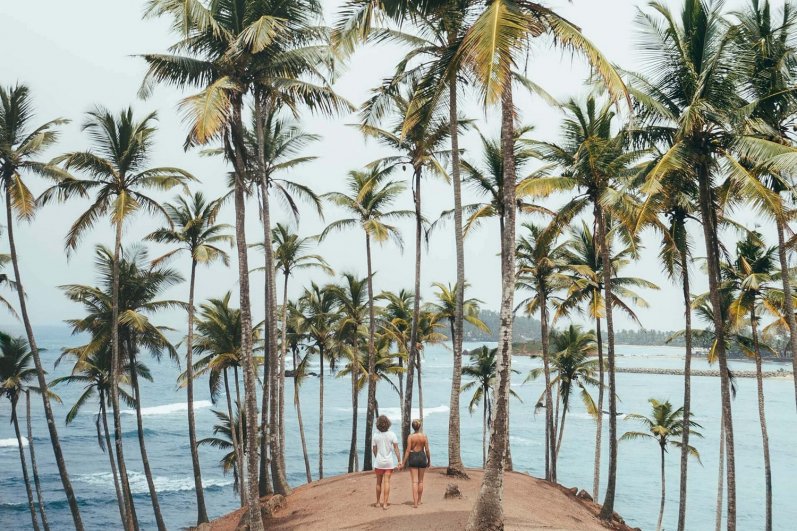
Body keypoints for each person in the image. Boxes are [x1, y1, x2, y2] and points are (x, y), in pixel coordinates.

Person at [372, 414, 401, 510]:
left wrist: (377, 457)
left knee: (378, 482)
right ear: (388, 424)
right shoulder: (392, 434)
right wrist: (399, 460)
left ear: (378, 425)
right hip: (388, 462)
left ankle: (377, 502)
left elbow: (374, 449)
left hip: (379, 463)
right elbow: (396, 448)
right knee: (387, 482)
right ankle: (385, 504)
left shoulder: (375, 435)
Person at [401, 418, 430, 508]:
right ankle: (420, 500)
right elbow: (427, 450)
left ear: (413, 427)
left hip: (413, 457)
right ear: (419, 426)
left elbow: (407, 450)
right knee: (421, 481)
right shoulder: (424, 436)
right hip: (422, 456)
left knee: (414, 481)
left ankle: (415, 503)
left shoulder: (410, 437)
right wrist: (429, 460)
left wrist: (403, 463)